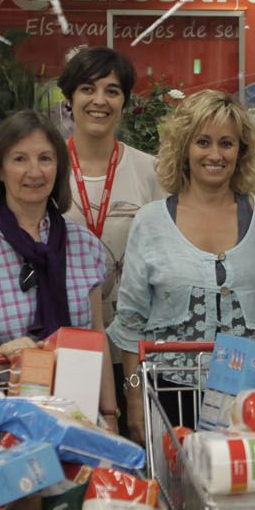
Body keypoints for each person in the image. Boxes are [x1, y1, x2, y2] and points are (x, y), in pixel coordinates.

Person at [109, 89, 255, 441]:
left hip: (247, 398)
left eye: (227, 144)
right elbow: (131, 323)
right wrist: (133, 398)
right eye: (203, 142)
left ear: (242, 151)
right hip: (168, 396)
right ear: (184, 148)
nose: (215, 155)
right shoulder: (151, 221)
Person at [0, 111, 120, 420]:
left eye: (45, 159)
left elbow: (95, 334)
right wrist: (9, 355)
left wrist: (110, 414)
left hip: (79, 412)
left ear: (58, 168)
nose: (34, 172)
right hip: (3, 410)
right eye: (20, 159)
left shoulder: (84, 245)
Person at [59, 46, 166, 323]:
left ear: (124, 102)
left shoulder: (152, 171)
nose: (99, 100)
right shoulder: (47, 169)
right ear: (69, 98)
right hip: (65, 330)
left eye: (112, 91)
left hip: (133, 332)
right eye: (87, 89)